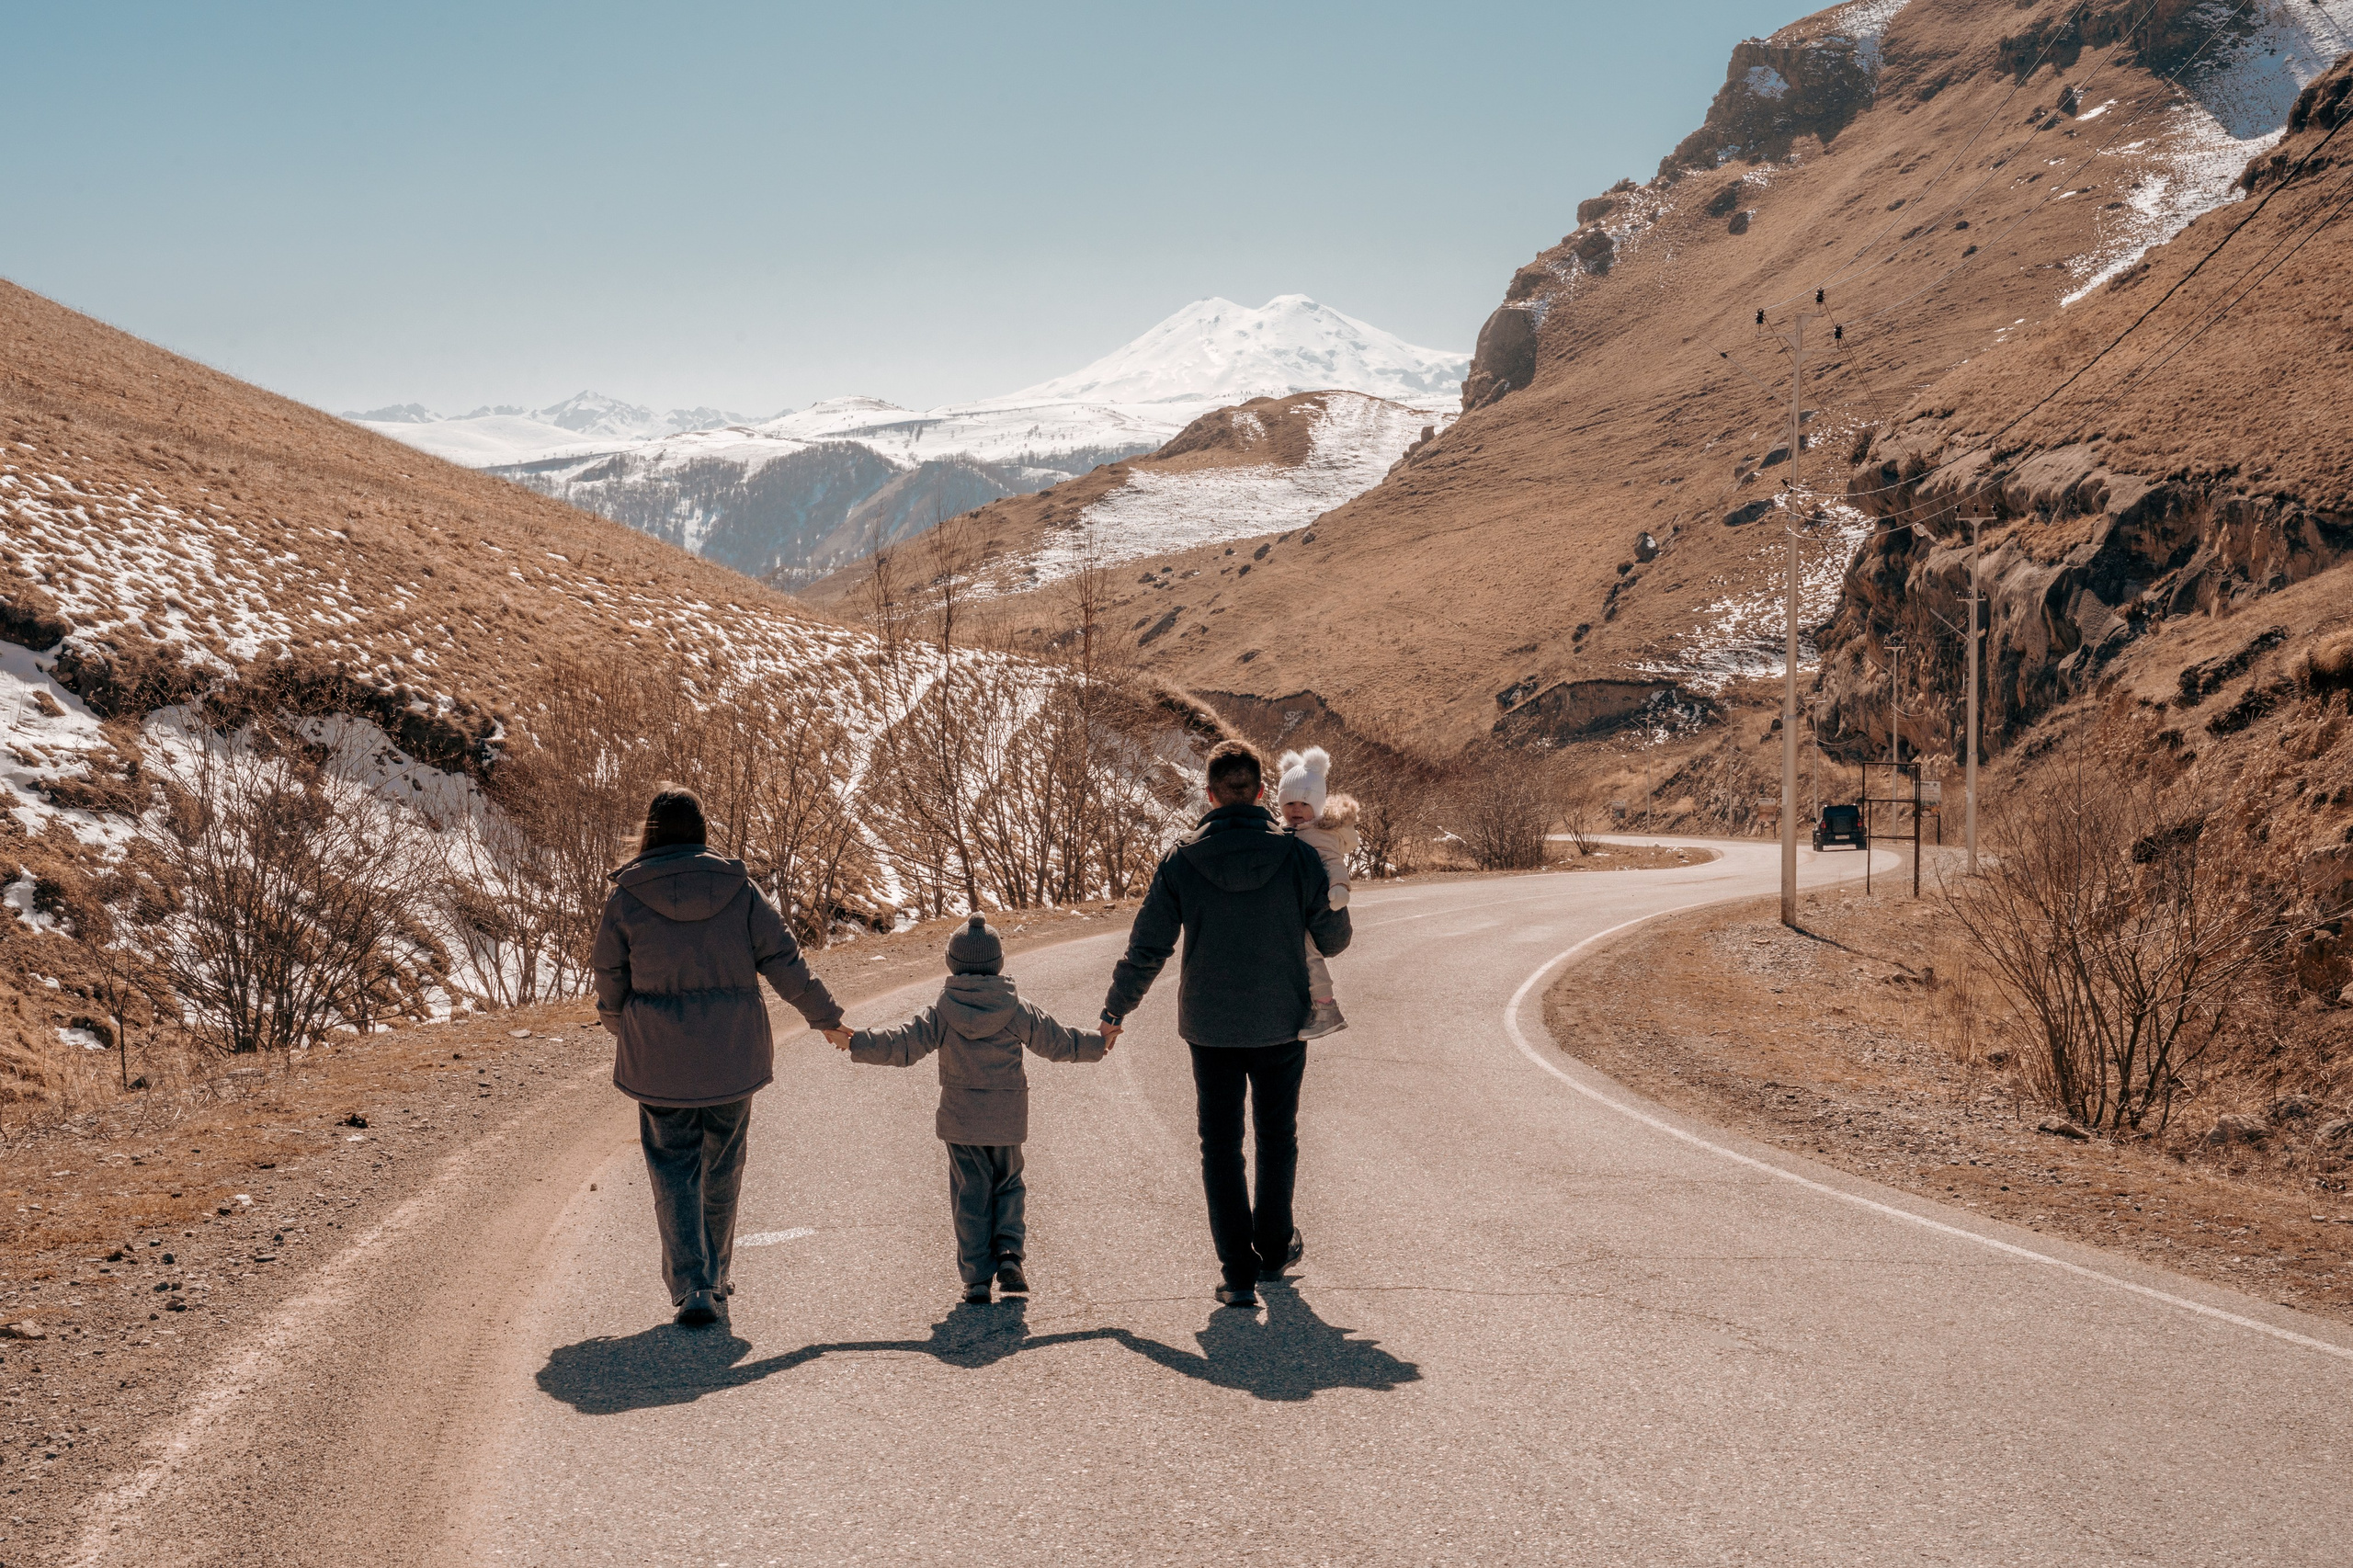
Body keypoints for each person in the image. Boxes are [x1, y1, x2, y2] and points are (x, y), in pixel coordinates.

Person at [1100, 739, 1352, 1309]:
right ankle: (1273, 1250)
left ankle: (1237, 1273)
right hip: (1282, 1020)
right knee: (1276, 1138)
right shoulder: (1299, 858)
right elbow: (1334, 941)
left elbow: (1148, 948)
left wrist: (1116, 1010)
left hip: (1210, 1027)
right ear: (1263, 793)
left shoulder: (1182, 859)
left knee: (1220, 1145)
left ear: (1210, 795)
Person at [592, 784, 852, 1327]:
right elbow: (785, 961)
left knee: (672, 1168)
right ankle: (715, 1274)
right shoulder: (740, 890)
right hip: (733, 1056)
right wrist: (825, 1018)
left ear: (650, 834)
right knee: (724, 1164)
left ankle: (692, 1286)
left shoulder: (626, 897)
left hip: (659, 1059)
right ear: (702, 832)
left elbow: (610, 981)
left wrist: (628, 1031)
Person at [839, 914, 1112, 1304]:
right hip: (1007, 1118)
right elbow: (1058, 1042)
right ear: (999, 964)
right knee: (1009, 1184)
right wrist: (1098, 1044)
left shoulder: (942, 1012)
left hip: (961, 1120)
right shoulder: (1017, 1009)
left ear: (952, 963)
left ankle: (977, 1278)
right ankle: (1009, 1256)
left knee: (970, 1193)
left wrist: (856, 1042)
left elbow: (901, 1045)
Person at [1274, 746, 1359, 1039]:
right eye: (1289, 803)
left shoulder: (1319, 834)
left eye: (1303, 803)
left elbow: (1334, 862)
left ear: (1318, 804)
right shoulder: (1294, 832)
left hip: (1320, 907)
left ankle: (1326, 1008)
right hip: (1301, 905)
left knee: (1307, 952)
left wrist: (1339, 888)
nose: (1296, 809)